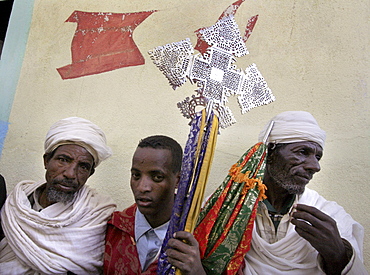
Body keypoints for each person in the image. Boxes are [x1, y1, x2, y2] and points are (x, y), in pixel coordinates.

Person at [240, 111, 367, 274]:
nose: (315, 166)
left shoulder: (330, 215)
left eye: (318, 157)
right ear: (270, 153)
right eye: (302, 152)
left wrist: (338, 254)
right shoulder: (228, 211)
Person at [0, 117, 116, 274]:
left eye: (83, 167)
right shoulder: (16, 202)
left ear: (90, 173)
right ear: (46, 161)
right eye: (63, 160)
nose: (70, 174)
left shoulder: (97, 214)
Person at [104, 135, 204, 274]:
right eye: (136, 176)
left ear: (178, 181)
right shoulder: (112, 227)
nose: (142, 187)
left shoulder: (201, 233)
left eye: (157, 177)